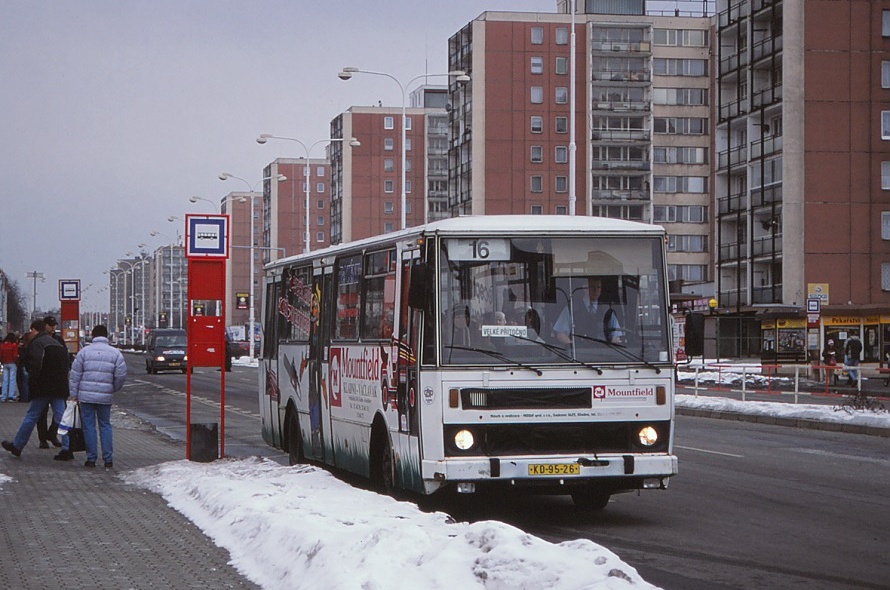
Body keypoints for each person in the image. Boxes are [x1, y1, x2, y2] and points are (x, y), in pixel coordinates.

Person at [2, 320, 69, 458]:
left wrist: (33, 381)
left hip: (43, 386)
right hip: (59, 386)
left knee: (32, 416)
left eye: (31, 331)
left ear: (34, 330)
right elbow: (66, 363)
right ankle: (68, 448)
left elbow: (36, 365)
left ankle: (17, 445)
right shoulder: (56, 343)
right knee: (62, 418)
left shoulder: (37, 343)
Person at [67, 325, 127, 469]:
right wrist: (112, 388)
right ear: (106, 336)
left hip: (85, 396)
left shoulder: (84, 352)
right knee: (105, 425)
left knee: (89, 427)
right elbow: (120, 375)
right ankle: (108, 459)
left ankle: (91, 458)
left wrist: (74, 395)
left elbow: (75, 376)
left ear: (92, 336)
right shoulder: (115, 353)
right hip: (105, 397)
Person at [553, 277, 622, 344]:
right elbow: (560, 334)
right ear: (584, 288)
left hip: (603, 352)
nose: (595, 290)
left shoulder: (607, 311)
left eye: (598, 287)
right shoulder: (572, 308)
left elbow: (616, 336)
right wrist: (572, 347)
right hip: (578, 352)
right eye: (592, 287)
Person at [1, 333, 19, 402]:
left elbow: (1, 354)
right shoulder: (14, 345)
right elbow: (15, 355)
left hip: (5, 363)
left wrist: (2, 361)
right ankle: (11, 396)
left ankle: (3, 396)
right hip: (12, 363)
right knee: (12, 380)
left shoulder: (2, 345)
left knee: (5, 380)